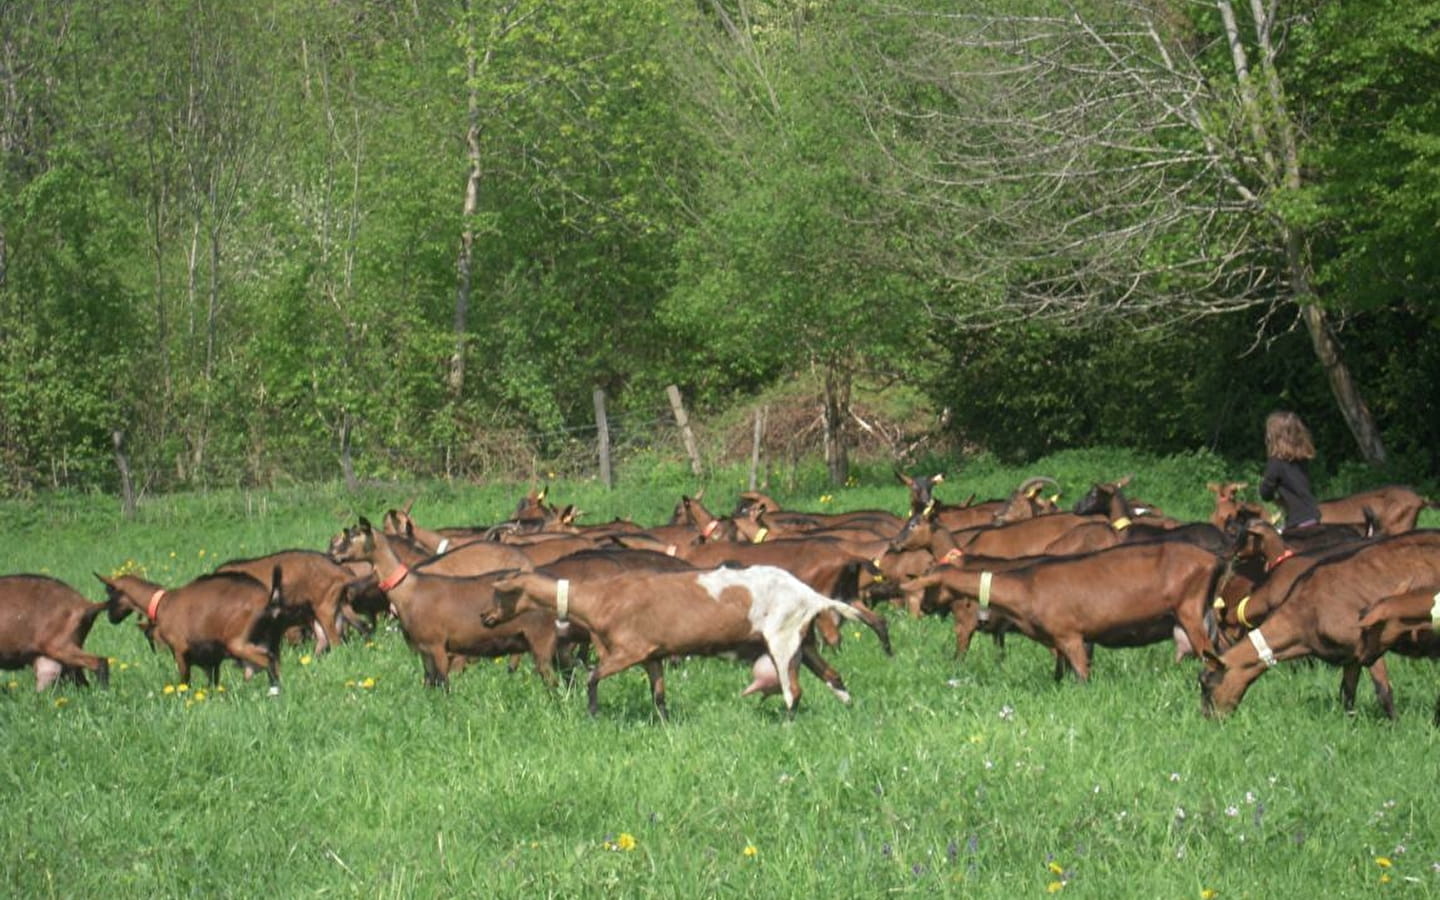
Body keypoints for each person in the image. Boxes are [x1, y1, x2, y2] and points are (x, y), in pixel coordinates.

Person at [1258, 410, 1320, 532]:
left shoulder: (1275, 463)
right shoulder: (1302, 458)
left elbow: (1265, 493)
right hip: (1313, 514)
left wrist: (1274, 498)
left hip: (1296, 519)